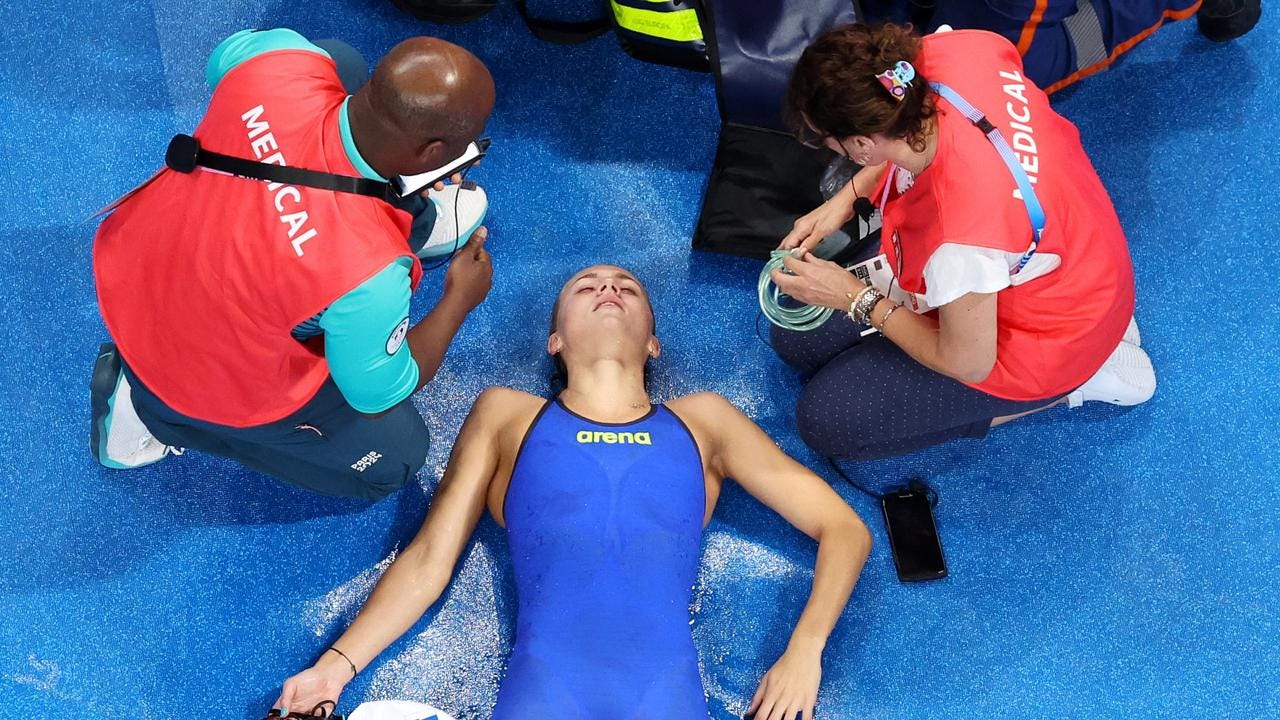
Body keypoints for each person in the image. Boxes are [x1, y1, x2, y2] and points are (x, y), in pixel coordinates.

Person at [275, 265, 873, 720]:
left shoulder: (706, 423)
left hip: (665, 696)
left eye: (627, 287)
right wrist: (335, 669)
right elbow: (431, 557)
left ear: (653, 344)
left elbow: (844, 529)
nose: (608, 288)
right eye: (587, 287)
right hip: (543, 693)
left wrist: (805, 649)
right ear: (555, 341)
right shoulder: (506, 416)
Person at [90, 29, 496, 500]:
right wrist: (459, 299)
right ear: (433, 154)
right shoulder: (369, 277)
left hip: (135, 273)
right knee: (398, 458)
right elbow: (379, 392)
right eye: (466, 143)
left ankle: (411, 219)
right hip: (195, 369)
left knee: (339, 58)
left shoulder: (278, 58)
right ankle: (153, 412)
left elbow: (220, 62)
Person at [770, 23, 1157, 461]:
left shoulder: (960, 240)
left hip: (1058, 335)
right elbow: (902, 134)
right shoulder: (951, 53)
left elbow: (966, 362)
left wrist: (855, 298)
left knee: (827, 420)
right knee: (796, 335)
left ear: (860, 145)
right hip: (1074, 248)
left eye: (829, 142)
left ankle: (1079, 380)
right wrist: (846, 200)